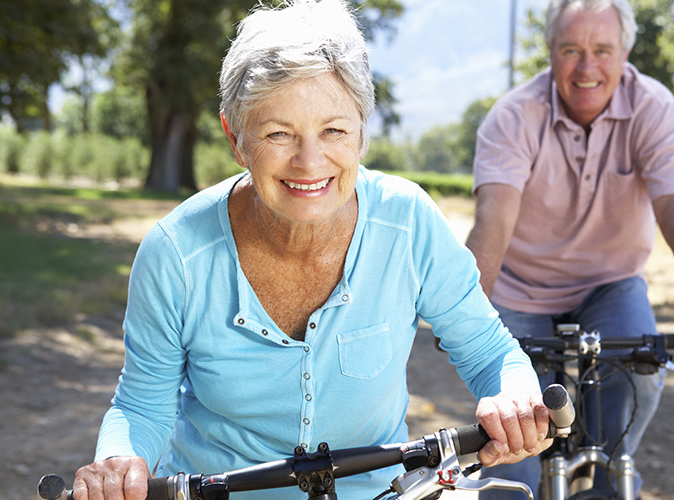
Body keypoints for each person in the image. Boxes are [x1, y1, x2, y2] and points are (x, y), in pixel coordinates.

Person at [71, 1, 554, 499]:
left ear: (362, 133)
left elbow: (488, 351)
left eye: (334, 131)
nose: (309, 161)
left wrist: (513, 394)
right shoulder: (175, 255)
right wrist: (117, 463)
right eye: (279, 133)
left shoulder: (408, 222)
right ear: (236, 139)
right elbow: (143, 404)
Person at [466, 0, 674, 498]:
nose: (587, 68)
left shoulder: (653, 107)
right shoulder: (514, 115)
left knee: (639, 379)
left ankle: (606, 484)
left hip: (609, 285)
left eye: (602, 50)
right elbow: (494, 217)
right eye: (571, 50)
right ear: (550, 51)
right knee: (512, 441)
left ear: (626, 51)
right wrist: (467, 311)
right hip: (519, 290)